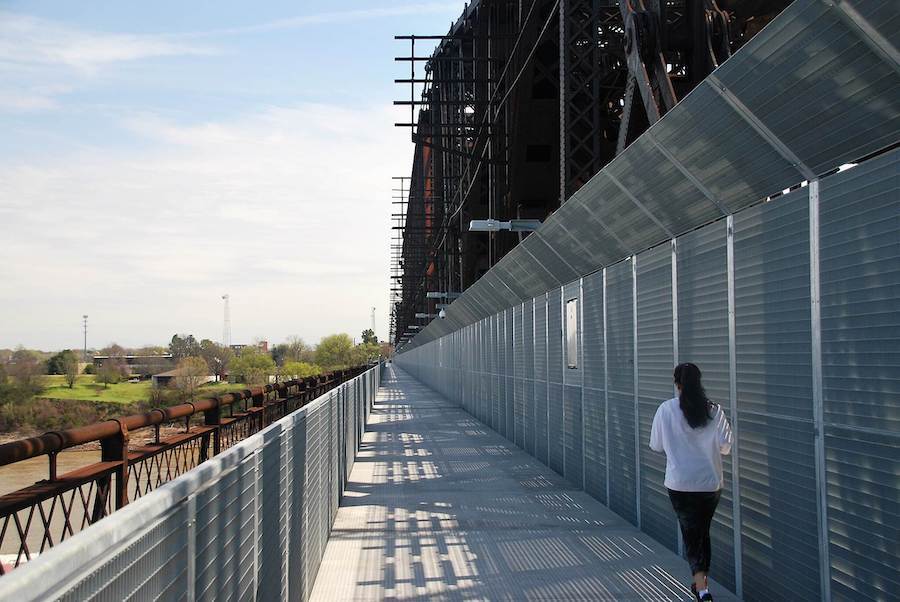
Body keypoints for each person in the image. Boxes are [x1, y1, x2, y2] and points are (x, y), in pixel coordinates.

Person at [649, 363, 732, 602]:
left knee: (691, 534)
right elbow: (726, 446)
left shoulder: (666, 409)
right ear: (699, 382)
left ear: (677, 384)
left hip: (680, 484)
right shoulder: (714, 410)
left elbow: (656, 445)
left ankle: (702, 588)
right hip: (709, 485)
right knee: (701, 532)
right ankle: (701, 585)